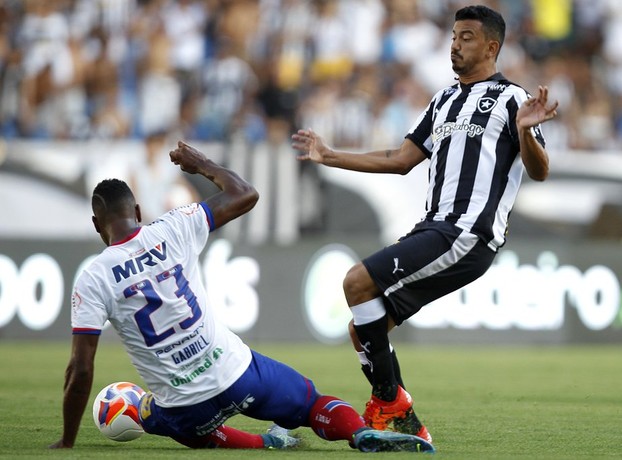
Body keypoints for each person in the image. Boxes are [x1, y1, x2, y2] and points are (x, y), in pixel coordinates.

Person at [49, 140, 435, 454]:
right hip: (237, 373)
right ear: (136, 210)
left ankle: (261, 442)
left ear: (97, 224)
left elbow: (81, 370)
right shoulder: (173, 227)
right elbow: (245, 194)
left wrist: (68, 440)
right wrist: (200, 164)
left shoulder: (93, 277)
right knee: (311, 403)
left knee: (149, 412)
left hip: (186, 407)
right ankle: (357, 434)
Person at [291, 5, 558, 443]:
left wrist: (527, 132)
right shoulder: (443, 100)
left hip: (466, 232)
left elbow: (541, 170)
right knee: (363, 330)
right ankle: (401, 418)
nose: (455, 44)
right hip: (432, 228)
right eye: (453, 36)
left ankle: (388, 403)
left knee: (357, 283)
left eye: (467, 37)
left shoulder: (513, 99)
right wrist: (330, 154)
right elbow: (400, 160)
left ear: (491, 46)